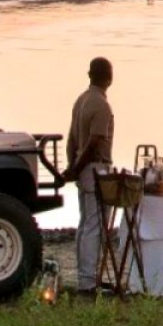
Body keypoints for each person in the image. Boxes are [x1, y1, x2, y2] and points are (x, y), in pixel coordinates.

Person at [64, 56, 115, 293]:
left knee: (85, 223)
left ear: (89, 75)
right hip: (96, 168)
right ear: (109, 77)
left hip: (83, 168)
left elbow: (72, 140)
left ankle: (85, 277)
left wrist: (72, 166)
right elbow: (94, 141)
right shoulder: (101, 105)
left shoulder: (81, 100)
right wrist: (77, 167)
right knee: (94, 225)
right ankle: (87, 280)